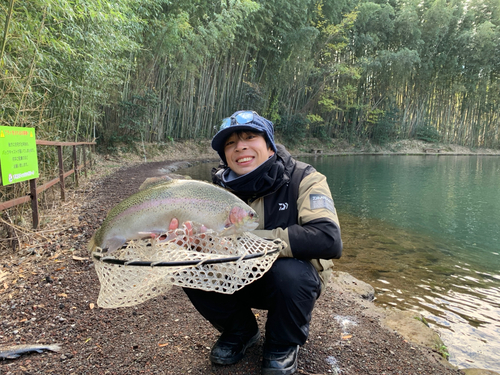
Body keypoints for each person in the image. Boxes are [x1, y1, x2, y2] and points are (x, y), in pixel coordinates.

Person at [174, 110, 342, 375]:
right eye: (230, 143)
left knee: (290, 273)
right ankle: (240, 331)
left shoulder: (306, 179)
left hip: (291, 280)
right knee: (183, 263)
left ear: (270, 146)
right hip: (238, 276)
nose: (240, 146)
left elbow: (328, 239)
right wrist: (189, 240)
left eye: (249, 137)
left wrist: (251, 241)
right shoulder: (216, 191)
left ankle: (283, 343)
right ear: (225, 156)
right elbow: (202, 238)